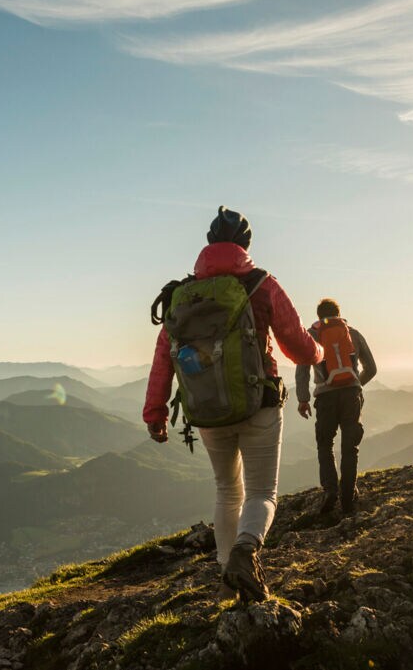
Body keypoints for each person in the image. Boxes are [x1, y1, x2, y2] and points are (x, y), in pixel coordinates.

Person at [144, 206, 323, 602]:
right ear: (245, 245)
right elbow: (296, 342)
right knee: (262, 492)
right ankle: (246, 552)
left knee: (227, 490)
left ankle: (228, 582)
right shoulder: (262, 284)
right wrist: (318, 352)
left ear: (209, 244)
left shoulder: (181, 295)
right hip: (259, 404)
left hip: (206, 410)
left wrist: (155, 412)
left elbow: (163, 358)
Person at [295, 299, 377, 514]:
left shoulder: (311, 336)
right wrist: (356, 383)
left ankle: (331, 490)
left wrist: (303, 399)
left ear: (319, 315)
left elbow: (302, 370)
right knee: (350, 447)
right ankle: (348, 498)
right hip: (352, 397)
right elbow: (372, 367)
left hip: (326, 398)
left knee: (325, 443)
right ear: (338, 313)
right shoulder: (353, 333)